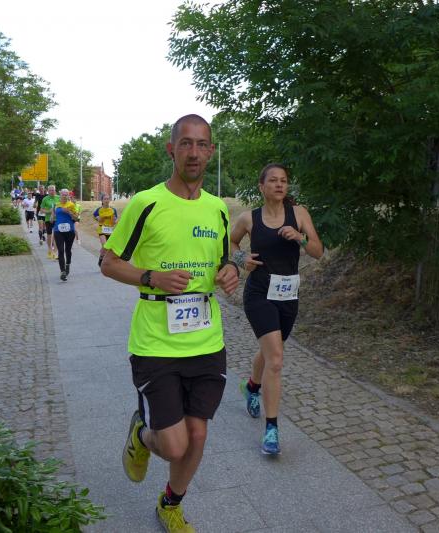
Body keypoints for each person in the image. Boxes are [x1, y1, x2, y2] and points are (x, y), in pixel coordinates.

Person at [100, 114, 239, 533]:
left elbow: (223, 260)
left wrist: (231, 270)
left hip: (206, 341)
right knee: (174, 444)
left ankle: (170, 505)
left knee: (198, 436)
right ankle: (142, 434)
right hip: (156, 344)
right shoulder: (146, 203)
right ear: (171, 149)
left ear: (210, 151)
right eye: (186, 143)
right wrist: (151, 277)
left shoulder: (218, 209)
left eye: (202, 144)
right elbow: (108, 262)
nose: (194, 152)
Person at [230, 163, 323, 455]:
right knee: (277, 360)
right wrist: (242, 259)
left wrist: (301, 238)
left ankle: (251, 386)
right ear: (262, 187)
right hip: (259, 293)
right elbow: (230, 242)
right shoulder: (249, 218)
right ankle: (271, 430)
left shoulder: (300, 214)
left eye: (284, 180)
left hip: (288, 295)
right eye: (273, 180)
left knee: (272, 352)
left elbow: (318, 251)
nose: (280, 185)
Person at [53, 188, 79, 281]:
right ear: (60, 195)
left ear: (68, 196)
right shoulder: (56, 205)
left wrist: (69, 212)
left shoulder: (71, 205)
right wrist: (52, 218)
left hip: (69, 230)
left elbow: (76, 218)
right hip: (58, 230)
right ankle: (62, 271)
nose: (64, 196)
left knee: (68, 250)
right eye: (63, 194)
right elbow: (53, 216)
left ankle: (67, 264)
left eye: (66, 194)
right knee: (60, 250)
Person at [93, 195, 118, 267]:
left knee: (107, 247)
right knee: (105, 245)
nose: (106, 200)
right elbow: (98, 219)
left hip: (110, 230)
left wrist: (114, 220)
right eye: (105, 199)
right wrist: (101, 217)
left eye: (108, 199)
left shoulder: (113, 210)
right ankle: (105, 262)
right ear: (102, 201)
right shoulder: (99, 210)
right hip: (102, 229)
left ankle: (101, 258)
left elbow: (115, 221)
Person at [39, 185, 60, 259]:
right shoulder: (45, 199)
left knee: (57, 235)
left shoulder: (58, 198)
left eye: (53, 190)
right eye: (50, 190)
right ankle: (50, 249)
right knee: (49, 235)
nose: (52, 191)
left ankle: (55, 252)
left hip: (57, 219)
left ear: (55, 190)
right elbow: (41, 210)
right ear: (48, 191)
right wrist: (49, 211)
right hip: (48, 219)